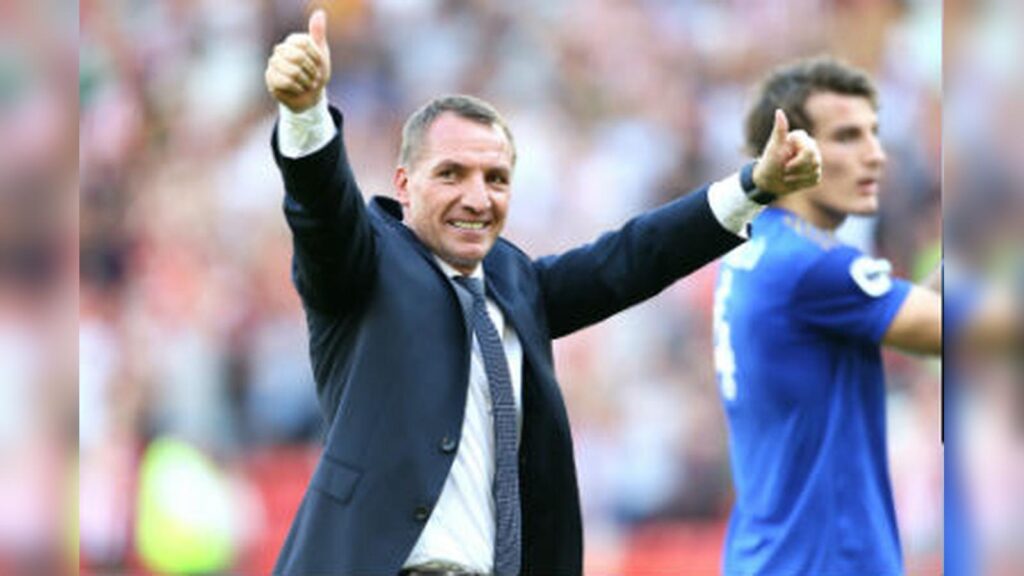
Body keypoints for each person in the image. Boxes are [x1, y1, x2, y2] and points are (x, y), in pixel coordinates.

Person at [264, 10, 822, 575]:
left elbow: (632, 258)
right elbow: (321, 210)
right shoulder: (365, 265)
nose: (477, 198)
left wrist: (754, 186)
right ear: (405, 185)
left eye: (496, 178)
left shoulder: (515, 284)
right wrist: (305, 112)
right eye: (452, 173)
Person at [711, 57, 942, 575]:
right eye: (847, 137)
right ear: (791, 153)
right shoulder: (811, 266)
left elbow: (908, 315)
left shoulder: (758, 252)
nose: (875, 155)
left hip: (773, 556)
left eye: (874, 133)